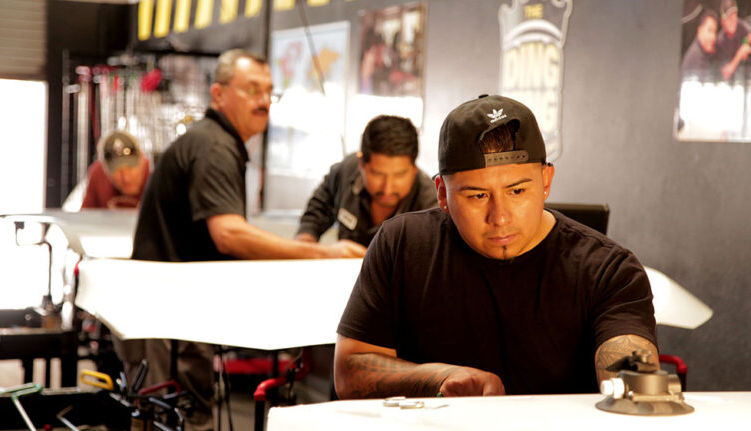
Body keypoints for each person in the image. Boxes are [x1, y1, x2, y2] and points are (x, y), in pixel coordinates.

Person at [333, 95, 658, 399]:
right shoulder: (402, 245)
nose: (500, 218)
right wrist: (440, 378)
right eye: (476, 195)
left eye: (517, 192)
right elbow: (350, 371)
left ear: (546, 181)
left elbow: (630, 371)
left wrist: (633, 387)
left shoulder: (607, 269)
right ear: (442, 194)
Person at [128, 49, 366, 429]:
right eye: (251, 89)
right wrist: (320, 253)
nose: (262, 100)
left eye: (269, 91)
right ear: (218, 94)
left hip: (170, 313)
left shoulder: (217, 142)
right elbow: (229, 234)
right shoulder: (215, 146)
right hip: (167, 319)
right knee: (179, 420)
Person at [295, 115, 438, 247]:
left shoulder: (433, 207)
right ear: (361, 164)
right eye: (377, 174)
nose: (387, 188)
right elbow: (317, 210)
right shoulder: (347, 171)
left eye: (399, 175)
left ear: (414, 168)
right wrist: (305, 242)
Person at [81, 130, 150, 209]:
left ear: (142, 160)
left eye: (130, 168)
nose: (126, 178)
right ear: (105, 170)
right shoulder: (97, 174)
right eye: (118, 171)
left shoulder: (155, 174)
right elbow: (85, 217)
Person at [716, 0, 751, 80]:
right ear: (723, 21)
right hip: (734, 82)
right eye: (729, 17)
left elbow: (748, 37)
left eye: (735, 15)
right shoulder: (720, 42)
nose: (733, 19)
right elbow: (725, 74)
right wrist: (740, 55)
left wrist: (747, 46)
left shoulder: (740, 25)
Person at [682, 9, 719, 81]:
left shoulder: (701, 52)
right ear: (700, 30)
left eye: (715, 32)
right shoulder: (696, 57)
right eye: (710, 30)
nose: (713, 37)